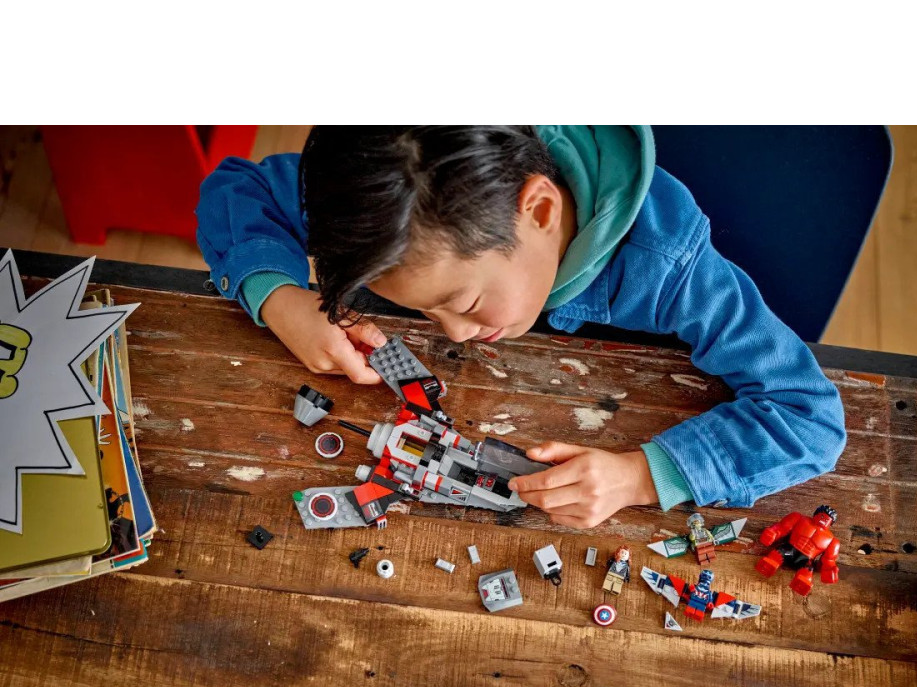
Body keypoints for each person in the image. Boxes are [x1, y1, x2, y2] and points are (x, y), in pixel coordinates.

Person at [196, 126, 846, 530]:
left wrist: (642, 477)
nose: (452, 335)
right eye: (425, 311)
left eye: (466, 301)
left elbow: (808, 416)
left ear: (538, 210)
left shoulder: (670, 265)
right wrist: (280, 297)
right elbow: (238, 189)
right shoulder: (383, 191)